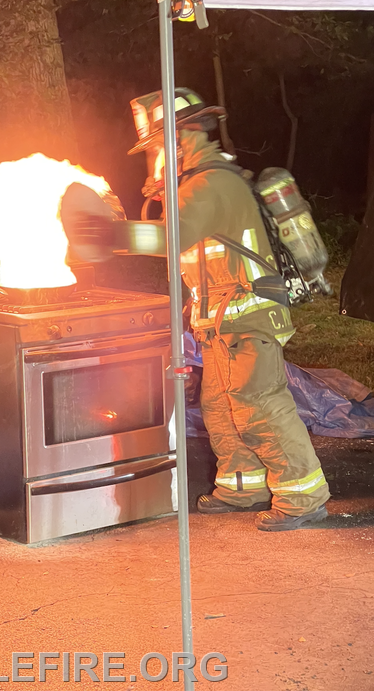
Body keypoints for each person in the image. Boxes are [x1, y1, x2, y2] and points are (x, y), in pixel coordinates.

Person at [128, 88, 330, 532]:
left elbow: (167, 240)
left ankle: (303, 497)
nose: (154, 160)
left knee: (258, 405)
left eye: (158, 148)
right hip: (220, 321)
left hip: (249, 317)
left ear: (181, 139)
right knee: (219, 407)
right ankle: (242, 486)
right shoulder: (192, 188)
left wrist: (104, 234)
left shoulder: (210, 184)